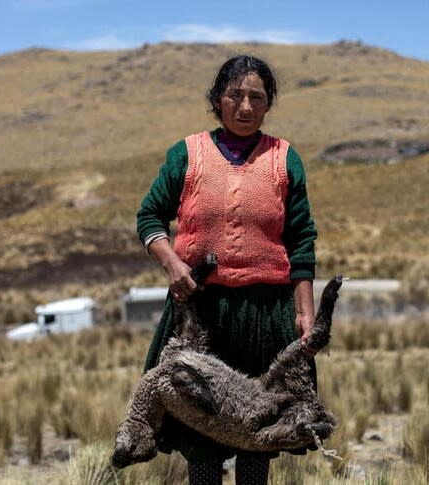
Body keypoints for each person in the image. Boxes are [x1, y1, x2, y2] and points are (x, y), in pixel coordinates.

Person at [136, 54, 318, 485]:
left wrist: (305, 312)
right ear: (218, 99)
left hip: (265, 315)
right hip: (200, 315)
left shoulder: (285, 158)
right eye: (235, 95)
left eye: (256, 97)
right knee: (201, 434)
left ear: (268, 103)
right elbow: (149, 217)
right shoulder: (187, 153)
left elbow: (302, 239)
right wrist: (172, 263)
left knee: (258, 434)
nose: (245, 106)